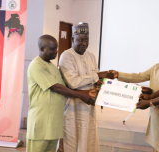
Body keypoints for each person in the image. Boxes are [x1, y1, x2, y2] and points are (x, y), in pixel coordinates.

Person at [26, 35, 99, 152]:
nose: (56, 52)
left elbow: (66, 88)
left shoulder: (54, 68)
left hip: (54, 124)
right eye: (52, 49)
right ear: (42, 48)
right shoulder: (36, 65)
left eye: (57, 48)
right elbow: (56, 87)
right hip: (40, 123)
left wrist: (88, 92)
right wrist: (82, 95)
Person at [109, 36, 159, 152]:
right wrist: (118, 74)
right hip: (155, 113)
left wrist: (151, 97)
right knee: (155, 144)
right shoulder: (156, 67)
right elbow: (138, 76)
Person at [58, 22, 113, 152]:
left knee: (88, 141)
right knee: (72, 142)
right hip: (73, 109)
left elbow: (95, 79)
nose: (84, 43)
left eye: (87, 40)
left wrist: (100, 82)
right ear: (72, 39)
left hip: (89, 108)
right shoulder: (67, 56)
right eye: (80, 40)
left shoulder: (91, 56)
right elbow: (73, 82)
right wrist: (97, 75)